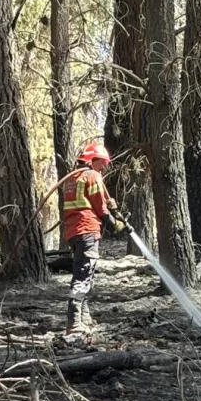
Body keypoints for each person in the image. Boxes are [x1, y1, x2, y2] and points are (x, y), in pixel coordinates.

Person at [62, 142, 130, 335]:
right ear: (92, 161)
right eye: (102, 162)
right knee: (83, 275)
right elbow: (100, 208)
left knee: (86, 273)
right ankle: (74, 322)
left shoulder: (72, 179)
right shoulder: (92, 176)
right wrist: (114, 223)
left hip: (73, 232)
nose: (104, 166)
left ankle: (84, 317)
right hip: (87, 230)